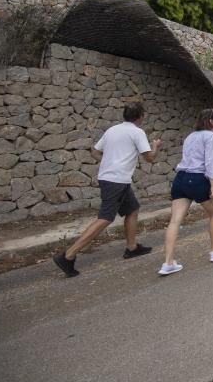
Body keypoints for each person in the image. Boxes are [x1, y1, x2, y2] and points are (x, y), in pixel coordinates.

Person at [53, 103, 161, 278]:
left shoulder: (112, 130)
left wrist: (109, 162)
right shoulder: (137, 132)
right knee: (105, 218)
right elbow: (149, 158)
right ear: (140, 116)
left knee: (132, 209)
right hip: (116, 180)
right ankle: (68, 255)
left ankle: (132, 247)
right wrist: (156, 147)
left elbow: (95, 152)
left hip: (111, 178)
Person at [158, 108, 213, 275]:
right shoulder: (211, 136)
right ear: (212, 121)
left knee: (174, 221)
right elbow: (210, 162)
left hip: (180, 179)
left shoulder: (190, 136)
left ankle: (168, 262)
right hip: (199, 179)